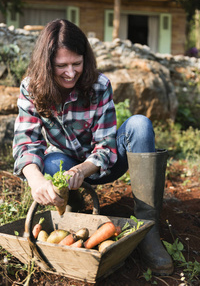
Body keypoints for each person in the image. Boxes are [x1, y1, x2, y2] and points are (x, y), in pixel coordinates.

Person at [13, 19, 173, 275]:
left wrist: (83, 169)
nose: (70, 72)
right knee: (51, 164)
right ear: (46, 65)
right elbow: (26, 142)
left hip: (104, 165)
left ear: (85, 59)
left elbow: (107, 145)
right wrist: (36, 181)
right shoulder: (31, 89)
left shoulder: (99, 85)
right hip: (64, 170)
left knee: (140, 124)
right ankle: (75, 214)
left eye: (76, 63)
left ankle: (149, 227)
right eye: (61, 66)